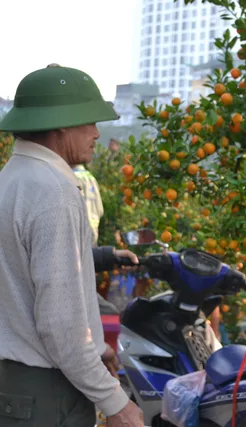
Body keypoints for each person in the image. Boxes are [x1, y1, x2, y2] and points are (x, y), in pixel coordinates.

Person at [0, 64, 144, 427]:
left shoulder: (12, 179)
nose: (97, 133)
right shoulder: (54, 193)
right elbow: (59, 324)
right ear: (62, 123)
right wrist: (115, 402)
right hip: (47, 391)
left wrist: (96, 348)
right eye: (89, 121)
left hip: (15, 383)